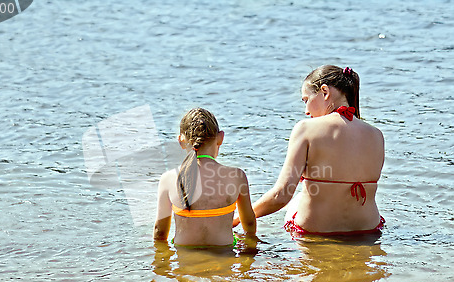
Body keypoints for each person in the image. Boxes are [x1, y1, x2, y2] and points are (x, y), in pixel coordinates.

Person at [234, 65, 385, 235]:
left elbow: (281, 195)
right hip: (367, 230)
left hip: (316, 231)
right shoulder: (376, 134)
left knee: (298, 198)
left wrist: (238, 218)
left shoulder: (306, 128)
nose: (306, 111)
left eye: (306, 100)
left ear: (325, 92)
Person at [154, 107, 256, 246]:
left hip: (185, 263)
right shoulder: (237, 176)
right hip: (224, 258)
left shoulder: (168, 179)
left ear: (181, 141)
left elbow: (160, 232)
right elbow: (249, 224)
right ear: (220, 138)